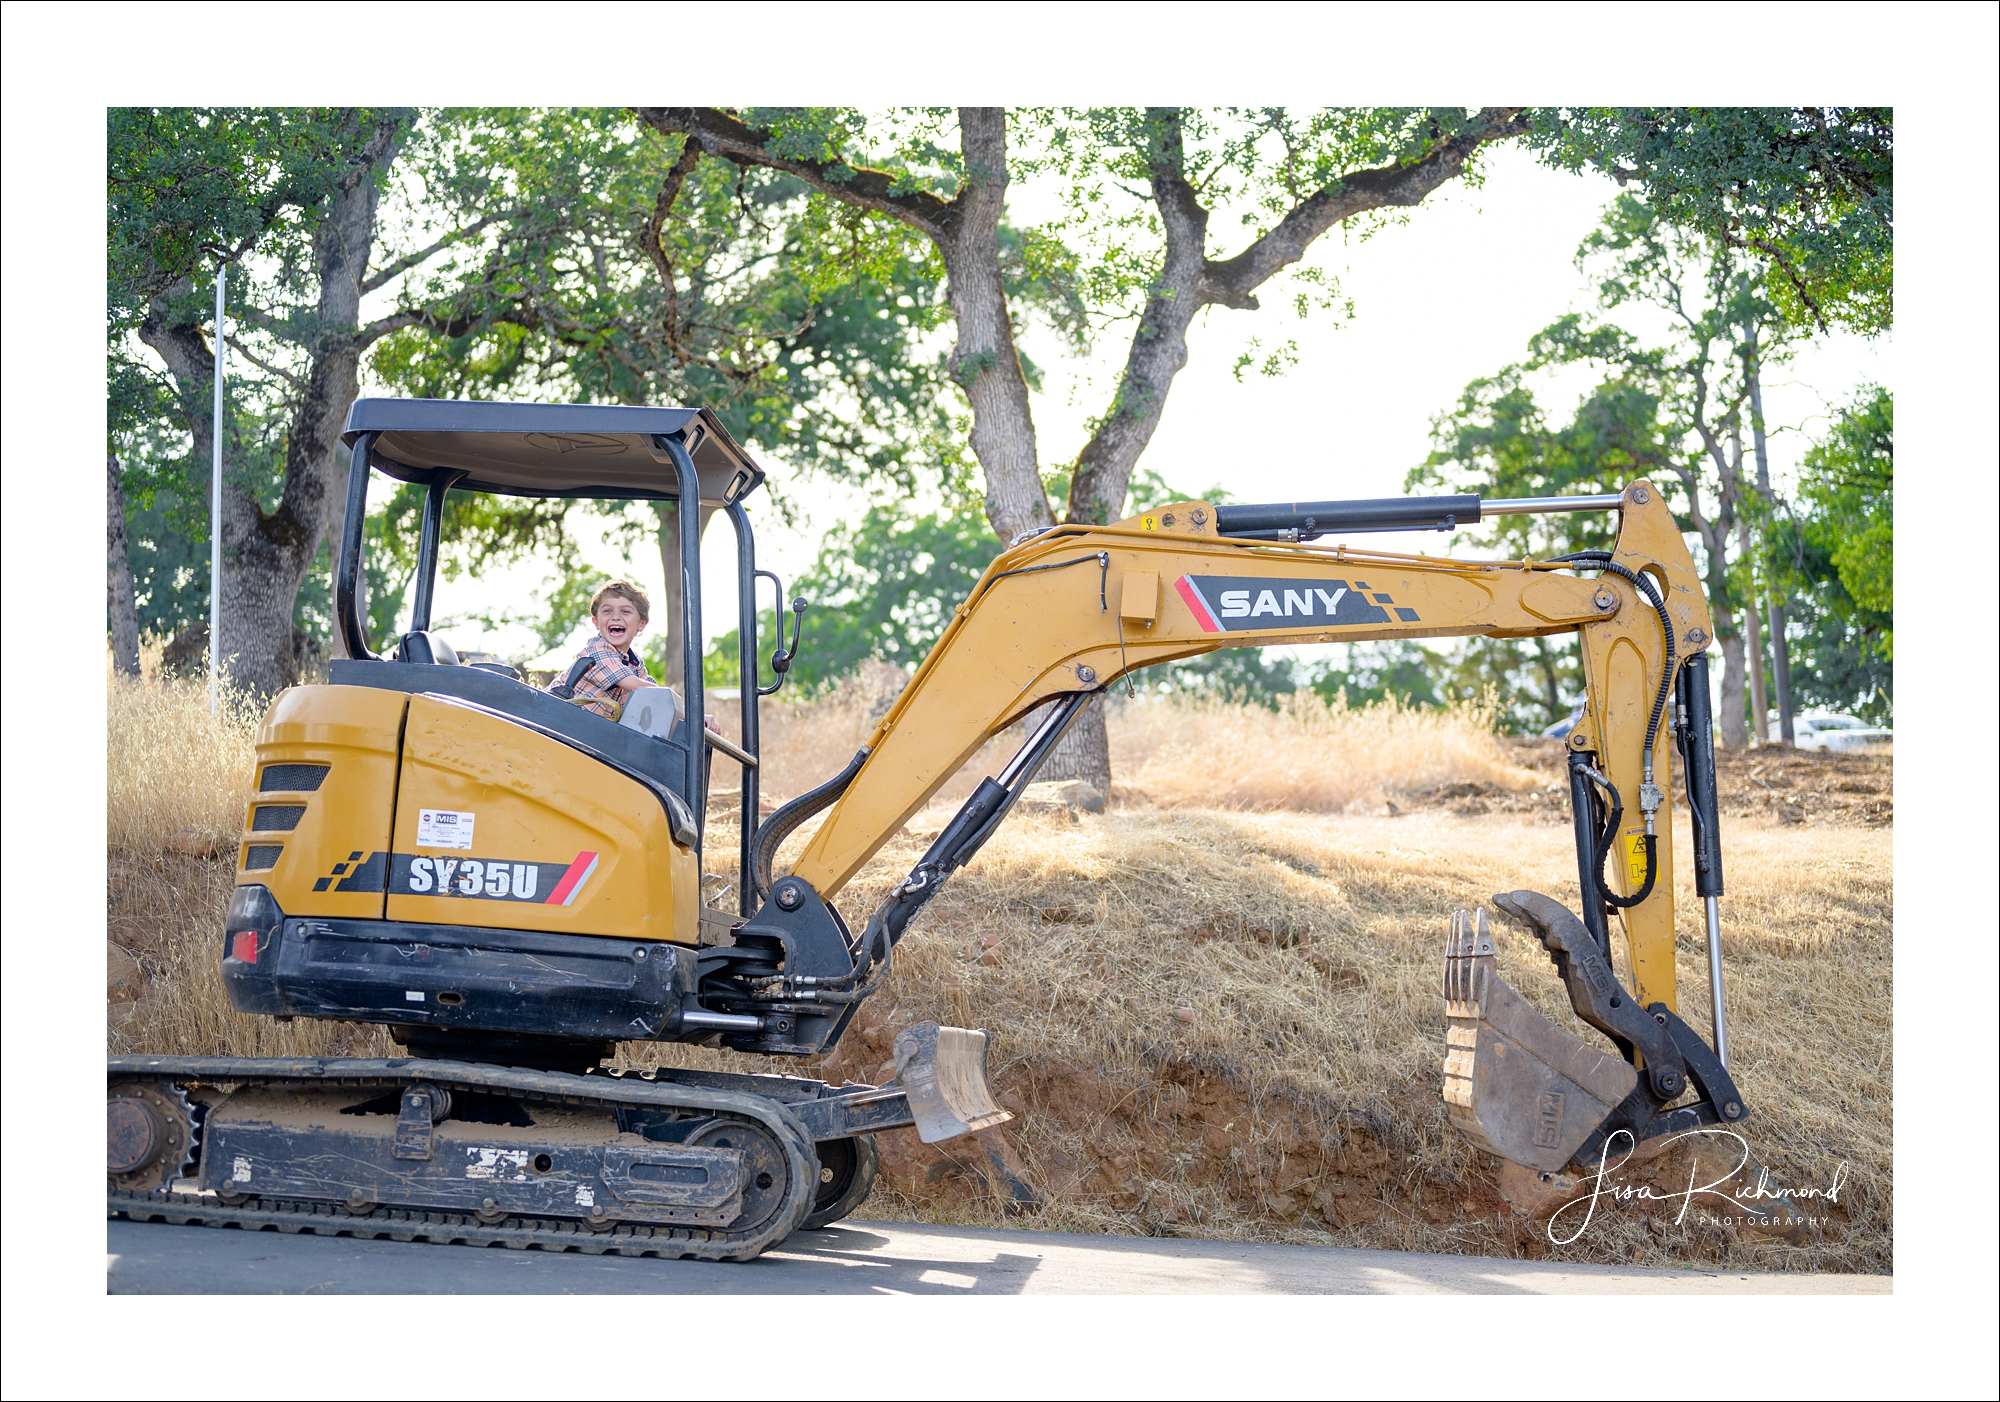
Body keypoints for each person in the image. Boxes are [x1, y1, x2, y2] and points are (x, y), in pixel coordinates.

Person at [551, 581, 666, 720]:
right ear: (596, 622)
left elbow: (651, 695)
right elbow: (636, 685)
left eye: (625, 611)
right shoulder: (597, 649)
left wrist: (683, 714)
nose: (615, 617)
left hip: (585, 728)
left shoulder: (635, 663)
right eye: (607, 611)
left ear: (641, 623)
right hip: (553, 716)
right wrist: (671, 699)